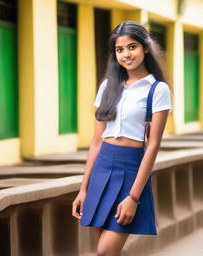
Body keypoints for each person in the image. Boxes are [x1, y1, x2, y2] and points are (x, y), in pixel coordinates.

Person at [72, 20, 172, 256]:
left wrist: (134, 197)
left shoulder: (157, 90)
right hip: (102, 167)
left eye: (132, 47)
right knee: (105, 252)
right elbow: (96, 142)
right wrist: (83, 189)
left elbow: (153, 146)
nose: (126, 54)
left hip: (131, 170)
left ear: (145, 48)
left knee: (105, 251)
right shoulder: (107, 86)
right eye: (120, 49)